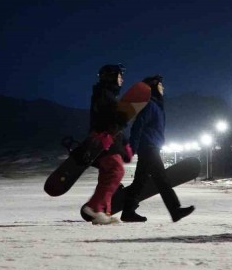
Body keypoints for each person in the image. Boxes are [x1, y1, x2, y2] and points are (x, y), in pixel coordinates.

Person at [122, 75, 195, 223]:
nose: (163, 88)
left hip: (151, 146)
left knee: (147, 180)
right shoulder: (150, 106)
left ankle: (129, 210)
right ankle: (174, 210)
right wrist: (132, 146)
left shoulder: (157, 106)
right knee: (159, 180)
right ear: (154, 87)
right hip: (148, 147)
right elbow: (138, 126)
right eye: (161, 85)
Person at [82, 64, 133, 225]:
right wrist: (121, 117)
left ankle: (103, 212)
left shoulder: (107, 94)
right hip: (105, 141)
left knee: (106, 177)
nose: (122, 79)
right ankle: (94, 207)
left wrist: (124, 143)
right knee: (115, 171)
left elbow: (115, 122)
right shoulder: (103, 94)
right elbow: (108, 119)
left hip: (109, 140)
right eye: (119, 76)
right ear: (110, 77)